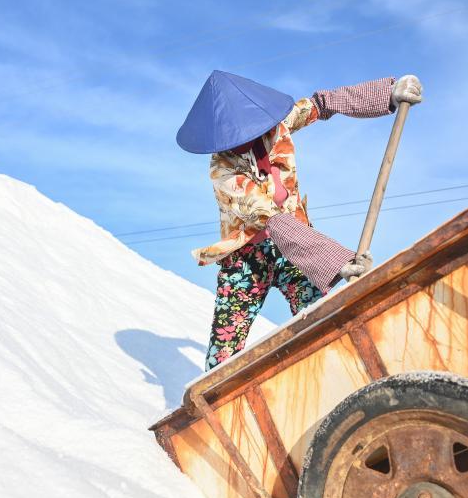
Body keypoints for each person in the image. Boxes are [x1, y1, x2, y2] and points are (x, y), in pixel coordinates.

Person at [175, 70, 423, 370]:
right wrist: (336, 260)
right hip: (247, 257)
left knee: (320, 315)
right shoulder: (223, 171)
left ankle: (339, 373)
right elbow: (269, 217)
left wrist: (388, 93)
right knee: (225, 345)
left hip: (295, 247)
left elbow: (322, 104)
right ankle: (216, 405)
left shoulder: (275, 127)